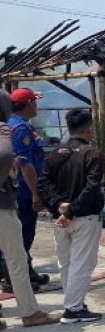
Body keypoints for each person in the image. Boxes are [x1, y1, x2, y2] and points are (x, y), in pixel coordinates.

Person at [37, 109, 105, 323]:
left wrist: (59, 206)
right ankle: (73, 308)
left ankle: (73, 302)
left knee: (66, 262)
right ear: (89, 128)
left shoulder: (56, 153)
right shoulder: (92, 154)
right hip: (84, 217)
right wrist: (72, 211)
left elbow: (43, 183)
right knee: (82, 264)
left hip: (60, 218)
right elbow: (92, 187)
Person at [0, 89, 59, 329]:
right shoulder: (9, 127)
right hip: (7, 203)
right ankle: (30, 312)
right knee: (17, 258)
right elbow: (7, 156)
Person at [4, 88, 49, 291]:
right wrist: (35, 193)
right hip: (23, 189)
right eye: (35, 102)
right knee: (24, 234)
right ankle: (12, 278)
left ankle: (26, 270)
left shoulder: (12, 125)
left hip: (17, 188)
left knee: (21, 233)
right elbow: (26, 164)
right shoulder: (21, 129)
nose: (37, 106)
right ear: (28, 104)